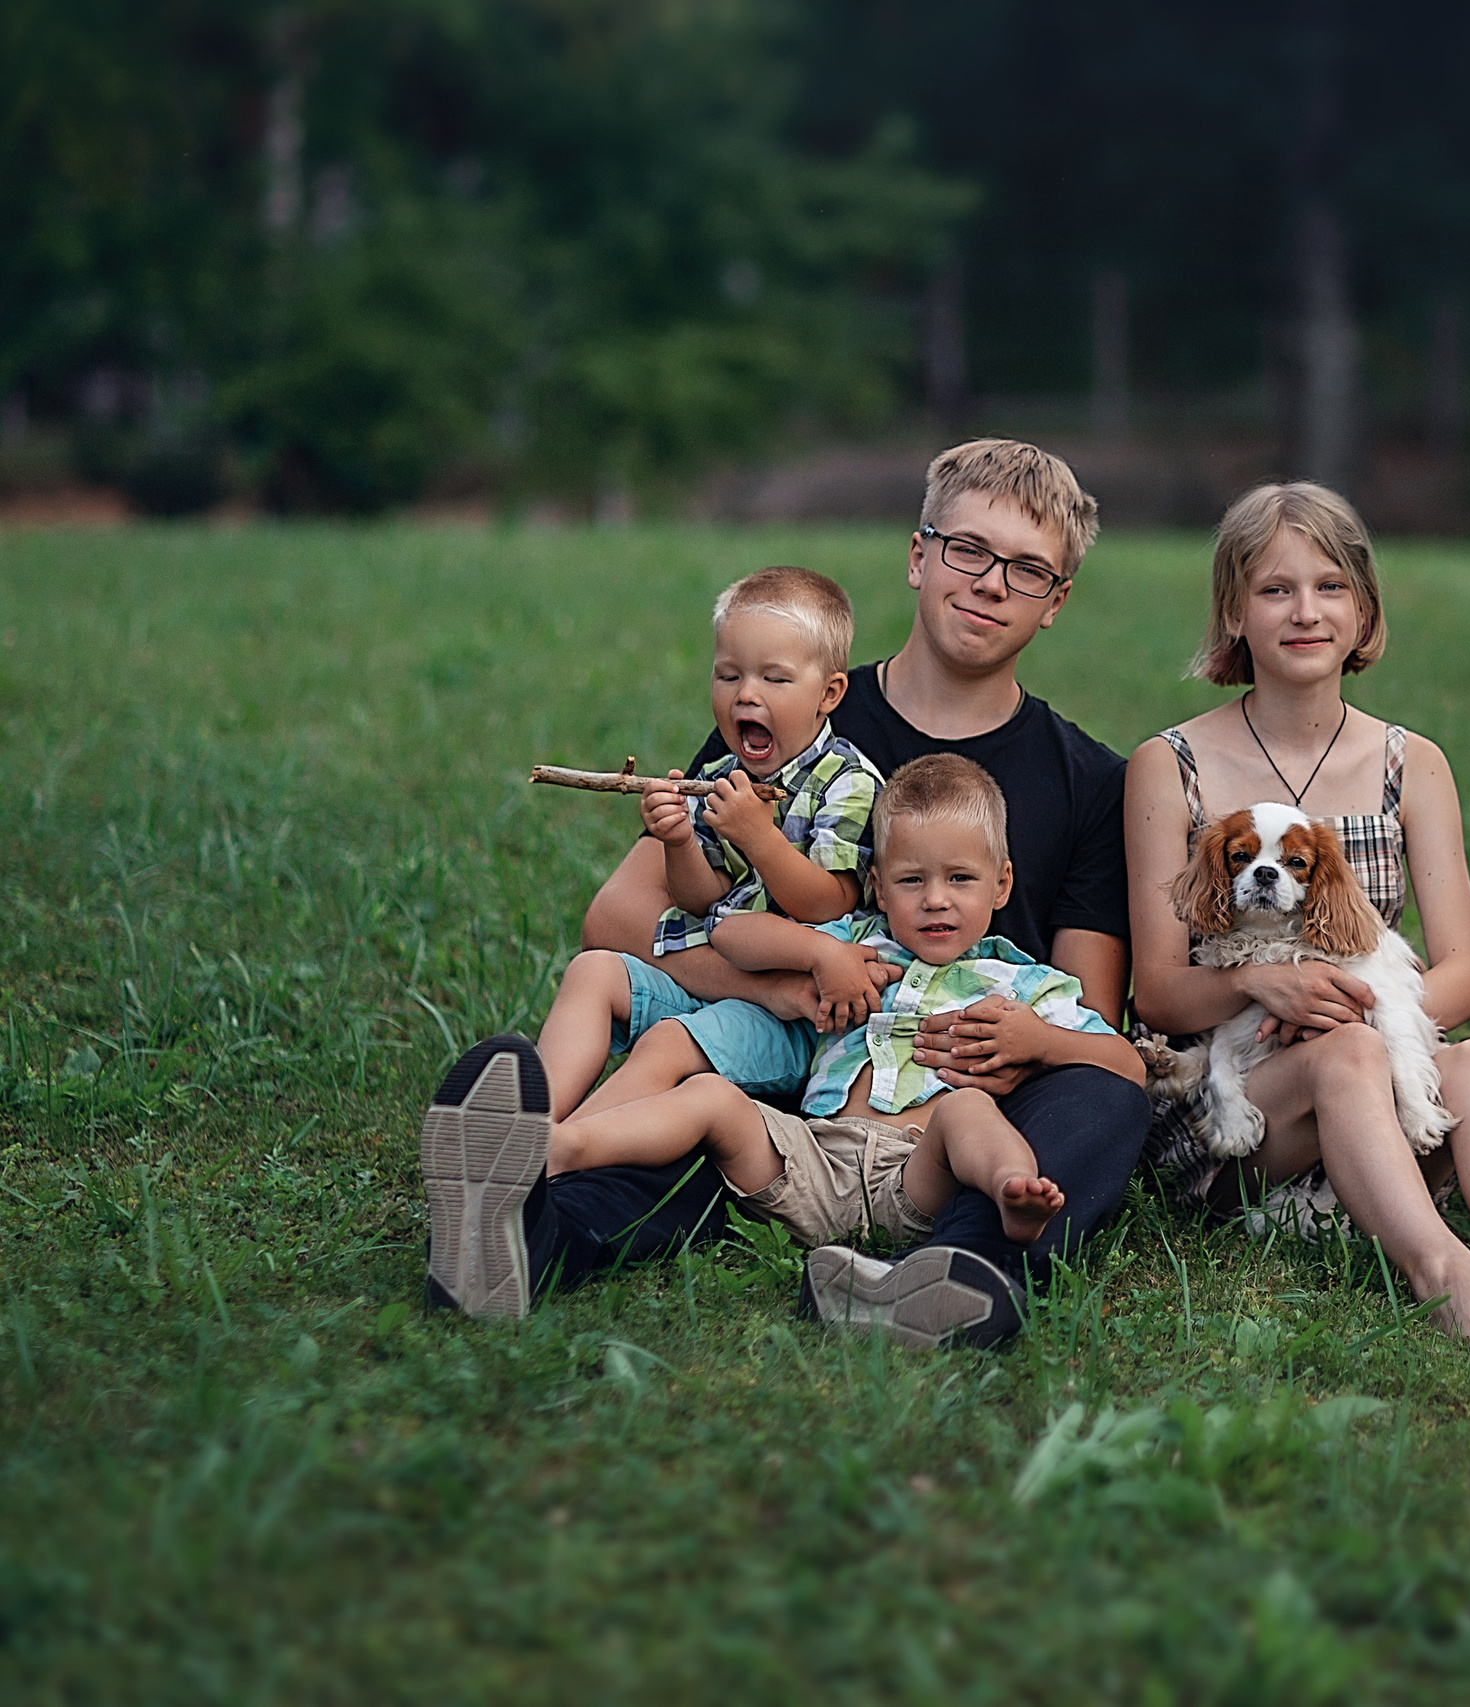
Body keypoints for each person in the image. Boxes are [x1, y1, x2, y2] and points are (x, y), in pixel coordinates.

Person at [422, 439, 1146, 1346]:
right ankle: (520, 1236)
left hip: (965, 1099)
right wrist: (774, 988)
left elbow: (1095, 1014)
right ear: (919, 554)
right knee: (704, 1094)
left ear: (1056, 602)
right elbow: (617, 918)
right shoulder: (794, 711)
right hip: (793, 1075)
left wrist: (1024, 1050)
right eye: (969, 550)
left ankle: (958, 1278)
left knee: (1107, 1102)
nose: (992, 583)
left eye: (1027, 569)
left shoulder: (1087, 779)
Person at [1127, 482, 1470, 1342]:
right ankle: (1445, 1276)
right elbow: (1160, 994)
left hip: (1369, 1059)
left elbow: (1464, 971)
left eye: (1330, 587)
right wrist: (1266, 986)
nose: (1305, 611)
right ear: (1234, 610)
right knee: (1349, 1053)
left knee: (1467, 1061)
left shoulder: (1410, 762)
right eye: (1276, 589)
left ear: (1364, 612)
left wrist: (1360, 1000)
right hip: (1232, 1111)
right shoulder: (1171, 764)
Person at [541, 756, 1141, 1255]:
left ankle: (1014, 1194)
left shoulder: (1020, 983)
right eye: (911, 881)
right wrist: (814, 952)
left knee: (971, 1112)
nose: (935, 900)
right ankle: (556, 1149)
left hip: (917, 1174)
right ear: (878, 886)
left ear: (1002, 885)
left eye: (960, 879)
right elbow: (731, 936)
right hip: (812, 1155)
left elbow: (1127, 1065)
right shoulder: (854, 945)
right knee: (710, 1100)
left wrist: (1042, 1042)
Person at [528, 566, 883, 1123]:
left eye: (775, 679)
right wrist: (676, 842)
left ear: (829, 694)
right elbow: (702, 898)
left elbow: (826, 902)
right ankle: (533, 1121)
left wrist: (758, 836)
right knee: (592, 971)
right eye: (728, 675)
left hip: (794, 1018)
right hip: (719, 984)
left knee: (668, 1040)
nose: (747, 694)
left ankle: (563, 1151)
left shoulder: (848, 781)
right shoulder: (720, 774)